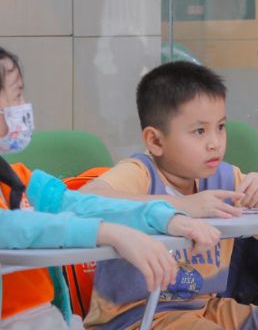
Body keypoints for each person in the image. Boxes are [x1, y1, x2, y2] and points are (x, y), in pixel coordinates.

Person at [79, 61, 258, 330]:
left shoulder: (223, 178)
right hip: (136, 318)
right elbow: (87, 199)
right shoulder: (141, 173)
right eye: (199, 131)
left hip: (204, 308)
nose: (215, 142)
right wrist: (182, 205)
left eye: (221, 127)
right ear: (155, 141)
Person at [0, 47, 220, 330]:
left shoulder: (18, 181)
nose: (24, 106)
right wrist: (109, 233)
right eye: (17, 95)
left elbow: (83, 204)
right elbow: (12, 227)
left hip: (44, 318)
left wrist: (165, 217)